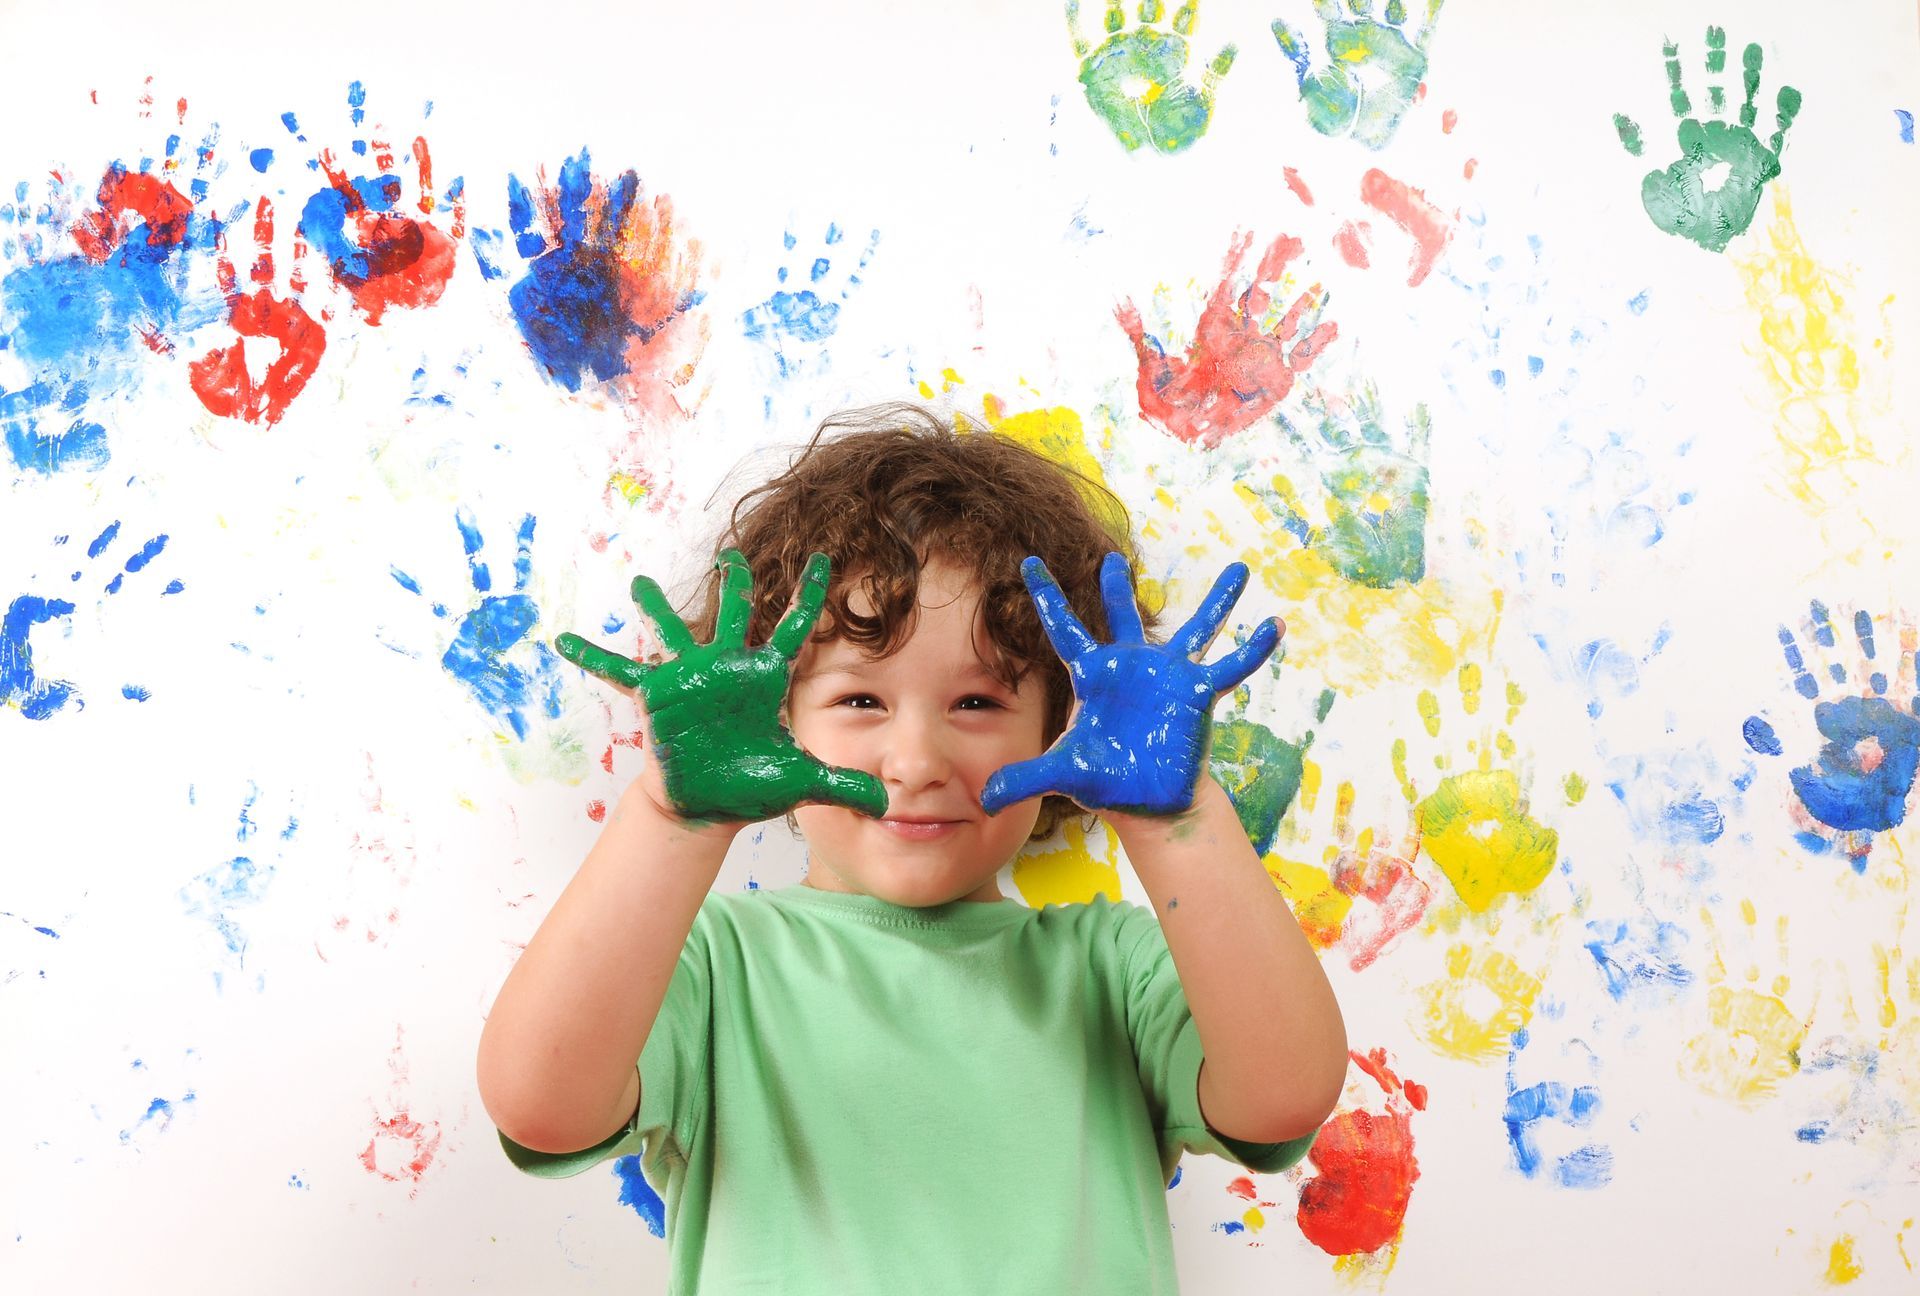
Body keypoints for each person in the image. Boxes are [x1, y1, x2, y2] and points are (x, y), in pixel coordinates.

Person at [475, 402, 1348, 1294]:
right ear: (774, 721)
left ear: (1065, 726)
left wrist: (1180, 818)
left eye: (977, 703)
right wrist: (670, 818)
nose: (919, 761)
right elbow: (543, 1109)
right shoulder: (709, 969)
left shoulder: (1111, 969)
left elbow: (1283, 1095)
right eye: (860, 702)